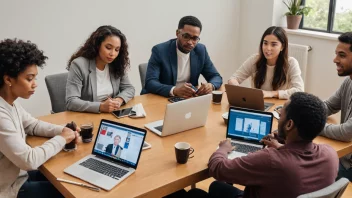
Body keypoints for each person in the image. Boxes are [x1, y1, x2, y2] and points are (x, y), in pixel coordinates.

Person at [184, 92, 338, 198]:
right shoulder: (330, 154)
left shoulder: (272, 160)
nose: (278, 118)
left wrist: (223, 148)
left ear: (289, 124)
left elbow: (217, 168)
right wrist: (283, 141)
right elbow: (297, 157)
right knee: (217, 187)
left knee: (193, 194)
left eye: (281, 114)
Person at [0, 39, 80, 198]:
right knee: (72, 193)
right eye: (29, 79)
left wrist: (63, 130)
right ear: (8, 79)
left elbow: (32, 125)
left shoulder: (10, 103)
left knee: (70, 176)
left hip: (19, 177)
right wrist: (61, 139)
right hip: (9, 190)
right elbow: (29, 160)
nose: (35, 84)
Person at [141, 16, 223, 98]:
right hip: (161, 98)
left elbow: (216, 76)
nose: (190, 42)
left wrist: (211, 85)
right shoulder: (160, 51)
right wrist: (174, 90)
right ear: (177, 33)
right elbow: (150, 82)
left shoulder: (201, 50)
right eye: (186, 36)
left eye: (195, 38)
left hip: (187, 99)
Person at [66, 25, 135, 113]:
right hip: (86, 117)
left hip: (110, 114)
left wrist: (119, 99)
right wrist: (100, 106)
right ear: (97, 45)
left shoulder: (117, 64)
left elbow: (129, 88)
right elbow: (71, 102)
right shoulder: (79, 65)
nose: (112, 53)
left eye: (117, 50)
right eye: (108, 48)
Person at [228, 26, 304, 99]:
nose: (268, 48)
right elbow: (233, 79)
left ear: (282, 47)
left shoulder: (291, 63)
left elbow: (299, 91)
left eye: (273, 44)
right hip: (257, 104)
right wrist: (239, 91)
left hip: (279, 107)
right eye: (265, 43)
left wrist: (272, 93)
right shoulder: (254, 60)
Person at [319, 32, 352, 181]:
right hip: (344, 160)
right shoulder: (348, 82)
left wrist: (312, 125)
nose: (335, 60)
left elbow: (346, 132)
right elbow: (328, 106)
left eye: (342, 55)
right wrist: (305, 112)